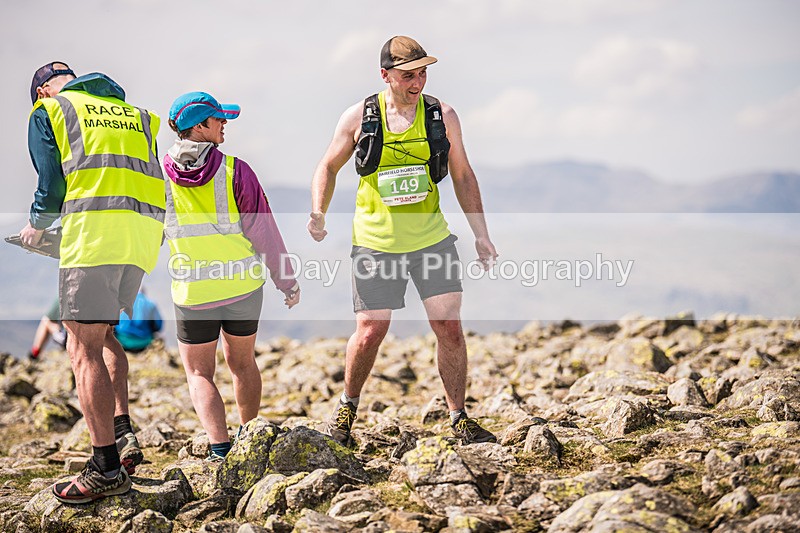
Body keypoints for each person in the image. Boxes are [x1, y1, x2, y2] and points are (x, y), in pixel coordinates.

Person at [308, 36, 499, 445]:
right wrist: (319, 211)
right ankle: (347, 408)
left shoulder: (441, 115)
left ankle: (458, 416)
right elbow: (328, 165)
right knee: (370, 330)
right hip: (376, 242)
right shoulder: (359, 116)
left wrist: (481, 234)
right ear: (386, 76)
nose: (418, 82)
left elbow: (463, 175)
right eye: (409, 75)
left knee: (448, 326)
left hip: (432, 240)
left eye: (424, 73)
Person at [20, 62, 165, 502]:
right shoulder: (137, 115)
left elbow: (51, 186)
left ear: (43, 91)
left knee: (81, 348)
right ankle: (121, 434)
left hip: (94, 239)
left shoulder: (51, 111)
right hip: (140, 240)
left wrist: (36, 226)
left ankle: (104, 468)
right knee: (104, 340)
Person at [163, 91, 300, 460]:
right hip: (242, 288)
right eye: (218, 119)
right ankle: (249, 437)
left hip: (193, 292)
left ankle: (220, 449)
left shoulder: (157, 175)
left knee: (199, 374)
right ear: (199, 126)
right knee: (242, 363)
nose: (225, 124)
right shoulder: (236, 170)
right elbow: (265, 232)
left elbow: (146, 232)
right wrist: (286, 280)